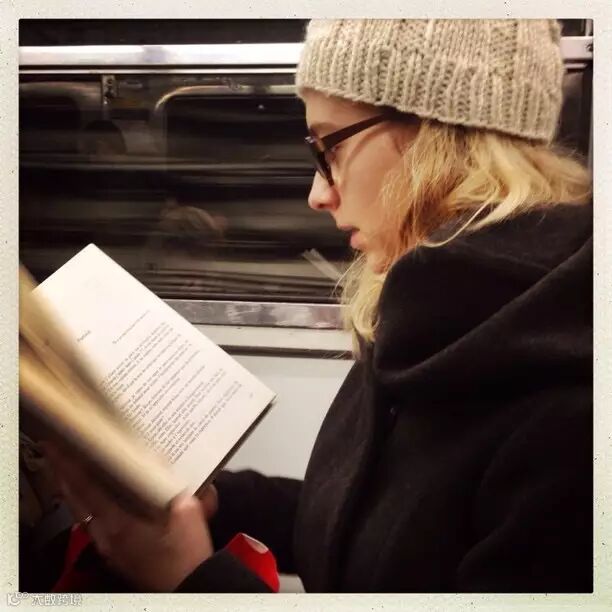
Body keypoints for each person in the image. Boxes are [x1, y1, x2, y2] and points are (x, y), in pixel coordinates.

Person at [43, 18, 593, 593]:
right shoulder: (425, 314)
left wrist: (190, 578)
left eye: (331, 145)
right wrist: (218, 501)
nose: (317, 194)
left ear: (441, 138)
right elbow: (379, 529)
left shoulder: (572, 418)